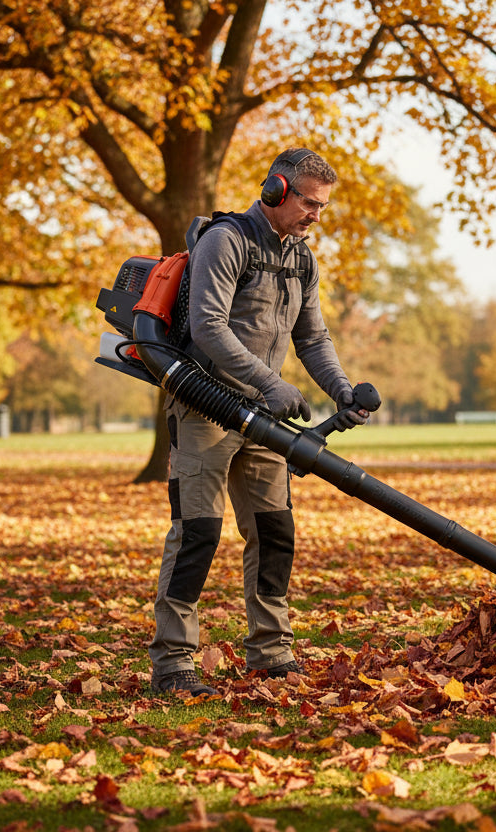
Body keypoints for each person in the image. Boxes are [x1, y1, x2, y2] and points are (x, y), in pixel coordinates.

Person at [149, 147, 369, 696]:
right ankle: (174, 663)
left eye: (323, 206)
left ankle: (271, 653)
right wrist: (271, 383)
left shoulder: (302, 258)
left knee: (274, 532)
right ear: (275, 189)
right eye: (309, 202)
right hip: (206, 407)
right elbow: (207, 327)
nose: (316, 214)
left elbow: (312, 337)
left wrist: (344, 391)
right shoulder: (228, 241)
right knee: (198, 532)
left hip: (263, 419)